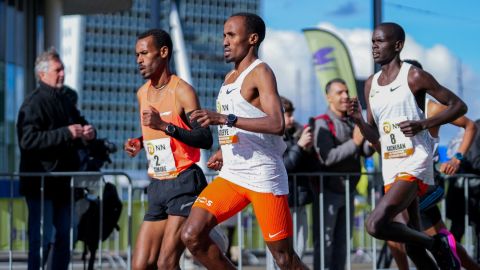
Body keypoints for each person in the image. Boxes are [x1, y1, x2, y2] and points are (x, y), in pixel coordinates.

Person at [180, 13, 308, 270]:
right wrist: (223, 150)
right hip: (233, 175)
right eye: (223, 36)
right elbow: (239, 123)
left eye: (231, 35)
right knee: (191, 235)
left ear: (252, 39)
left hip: (263, 176)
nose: (224, 41)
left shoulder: (261, 72)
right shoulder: (229, 78)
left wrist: (223, 118)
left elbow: (276, 124)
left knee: (284, 258)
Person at [347, 22, 467, 270]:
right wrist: (359, 120)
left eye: (380, 41)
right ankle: (433, 246)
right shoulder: (371, 84)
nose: (374, 47)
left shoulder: (413, 76)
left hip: (415, 162)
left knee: (375, 225)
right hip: (392, 165)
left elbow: (459, 106)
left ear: (398, 45)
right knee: (412, 245)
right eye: (372, 42)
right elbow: (376, 137)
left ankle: (437, 245)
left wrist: (424, 124)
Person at [124, 29, 213, 270]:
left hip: (184, 182)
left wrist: (164, 126)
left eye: (144, 53)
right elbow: (154, 133)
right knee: (140, 265)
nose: (139, 60)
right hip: (158, 184)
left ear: (163, 53)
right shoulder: (142, 93)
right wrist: (140, 142)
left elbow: (204, 138)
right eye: (136, 55)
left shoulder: (182, 90)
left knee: (166, 263)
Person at [386, 59, 480, 270]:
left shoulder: (432, 109)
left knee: (393, 228)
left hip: (426, 184)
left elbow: (470, 126)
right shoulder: (393, 110)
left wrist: (457, 158)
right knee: (433, 239)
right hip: (403, 181)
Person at [16, 47, 96, 270]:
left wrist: (89, 133)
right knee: (41, 240)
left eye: (63, 69)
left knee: (66, 238)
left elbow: (81, 125)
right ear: (42, 74)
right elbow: (27, 140)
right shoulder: (32, 104)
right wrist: (67, 133)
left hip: (64, 185)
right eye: (58, 70)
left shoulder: (65, 101)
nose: (63, 73)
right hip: (41, 185)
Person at [311, 78, 374, 270]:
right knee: (325, 242)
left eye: (346, 92)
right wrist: (354, 143)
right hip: (327, 192)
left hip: (348, 192)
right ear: (328, 97)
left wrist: (370, 140)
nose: (345, 96)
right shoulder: (322, 123)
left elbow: (364, 151)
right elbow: (327, 157)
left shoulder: (352, 121)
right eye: (340, 92)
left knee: (343, 243)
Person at [265, 96, 316, 269]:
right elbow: (284, 165)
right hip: (280, 202)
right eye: (288, 115)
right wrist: (300, 147)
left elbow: (310, 168)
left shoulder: (294, 135)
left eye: (292, 114)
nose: (292, 119)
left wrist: (308, 150)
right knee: (279, 253)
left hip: (298, 200)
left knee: (299, 249)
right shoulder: (270, 137)